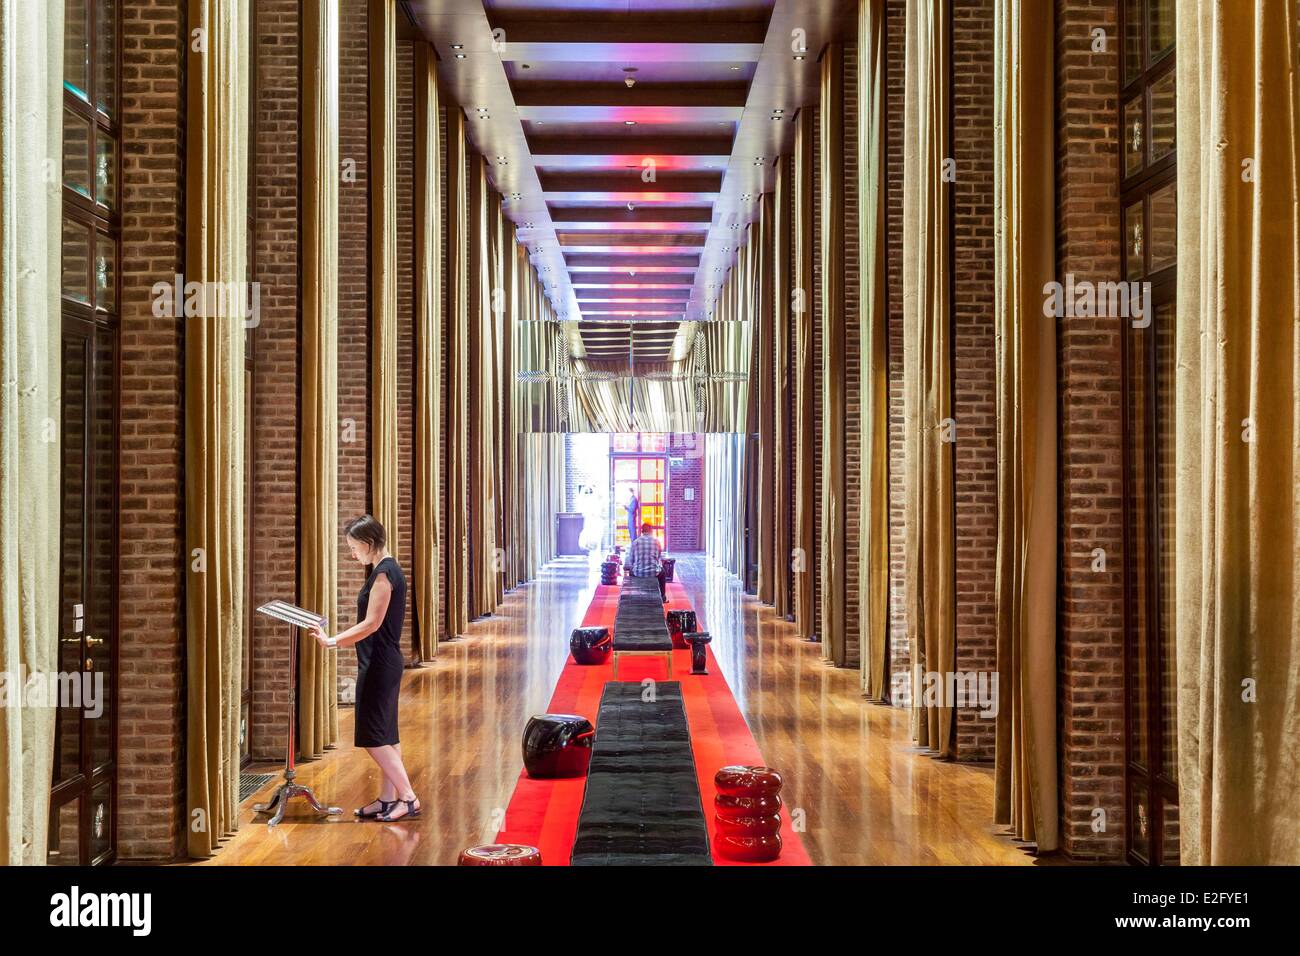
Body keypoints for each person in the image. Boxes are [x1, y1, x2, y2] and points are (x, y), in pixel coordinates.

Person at [312, 515, 420, 822]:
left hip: (379, 664)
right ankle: (388, 800)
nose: (351, 553)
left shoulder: (384, 575)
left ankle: (408, 797)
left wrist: (332, 641)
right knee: (387, 734)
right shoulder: (387, 570)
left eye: (353, 546)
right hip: (382, 662)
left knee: (373, 737)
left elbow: (371, 624)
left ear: (367, 543)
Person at [624, 521, 666, 601]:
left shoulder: (635, 542)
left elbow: (631, 561)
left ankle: (633, 593)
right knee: (663, 572)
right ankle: (662, 597)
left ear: (642, 531)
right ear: (651, 530)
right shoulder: (657, 541)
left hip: (638, 573)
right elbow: (658, 557)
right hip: (654, 573)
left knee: (631, 571)